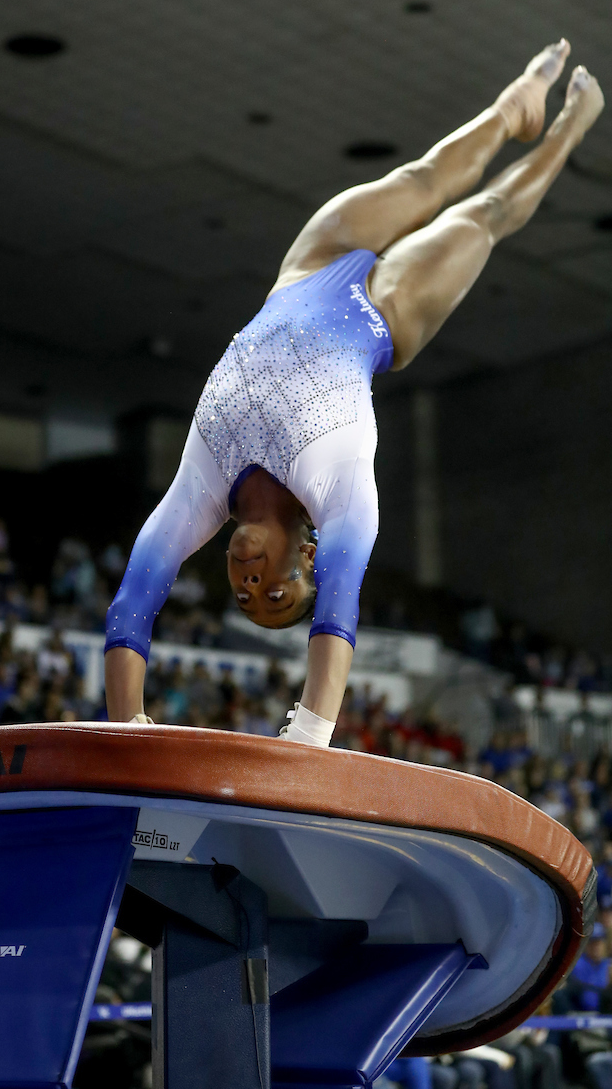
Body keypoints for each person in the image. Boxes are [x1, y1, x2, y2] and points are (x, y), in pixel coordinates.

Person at [104, 40, 604, 747]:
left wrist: (125, 726)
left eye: (245, 596)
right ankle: (568, 131)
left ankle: (509, 108)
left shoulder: (201, 487)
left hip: (309, 268)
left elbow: (133, 603)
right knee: (481, 214)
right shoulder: (337, 490)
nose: (252, 585)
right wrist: (312, 730)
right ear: (305, 558)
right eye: (275, 596)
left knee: (428, 177)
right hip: (383, 318)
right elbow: (339, 608)